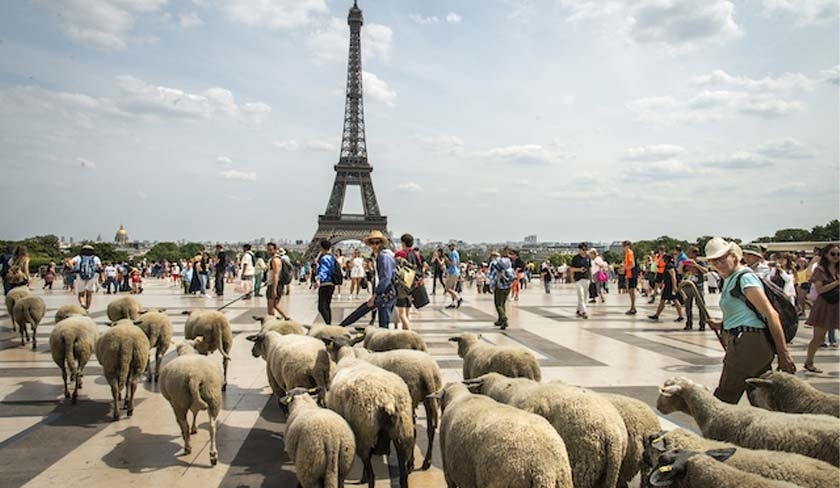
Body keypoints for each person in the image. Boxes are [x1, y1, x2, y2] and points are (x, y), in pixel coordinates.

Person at [703, 237, 795, 404]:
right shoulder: (730, 279)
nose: (718, 263)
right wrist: (722, 324)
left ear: (733, 255)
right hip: (747, 342)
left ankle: (719, 430)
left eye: (722, 258)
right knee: (760, 398)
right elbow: (745, 313)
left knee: (724, 400)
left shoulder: (744, 278)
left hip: (747, 343)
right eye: (713, 261)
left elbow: (771, 314)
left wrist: (783, 353)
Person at [802, 243, 839, 372]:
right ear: (826, 255)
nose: (836, 257)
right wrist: (837, 282)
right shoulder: (820, 270)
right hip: (824, 304)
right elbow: (820, 289)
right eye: (833, 254)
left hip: (838, 304)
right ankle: (809, 361)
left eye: (838, 254)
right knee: (819, 337)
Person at [365, 231, 396, 328]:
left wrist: (375, 295)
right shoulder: (388, 255)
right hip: (390, 293)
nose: (374, 245)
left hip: (386, 294)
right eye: (372, 243)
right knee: (384, 324)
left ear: (381, 243)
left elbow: (386, 278)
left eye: (377, 243)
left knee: (384, 326)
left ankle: (386, 343)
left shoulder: (383, 256)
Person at [394, 233, 422, 330]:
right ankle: (405, 331)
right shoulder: (415, 254)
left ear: (402, 243)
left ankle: (408, 333)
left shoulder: (400, 254)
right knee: (407, 312)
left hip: (402, 287)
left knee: (401, 313)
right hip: (412, 286)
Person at [679, 247, 708, 331]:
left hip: (698, 286)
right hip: (688, 285)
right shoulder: (686, 262)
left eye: (689, 252)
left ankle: (702, 324)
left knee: (701, 305)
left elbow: (706, 271)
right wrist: (682, 265)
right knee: (688, 306)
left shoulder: (700, 262)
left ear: (694, 253)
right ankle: (689, 323)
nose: (688, 254)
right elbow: (680, 272)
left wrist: (696, 265)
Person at [649, 254, 684, 322]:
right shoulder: (667, 266)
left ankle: (681, 316)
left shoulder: (669, 266)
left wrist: (674, 286)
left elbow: (673, 276)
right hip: (668, 285)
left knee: (674, 300)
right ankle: (657, 315)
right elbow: (666, 277)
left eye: (663, 259)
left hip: (670, 286)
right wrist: (662, 284)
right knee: (665, 300)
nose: (661, 260)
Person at [488, 250, 513, 329]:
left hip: (499, 286)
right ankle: (500, 320)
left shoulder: (494, 263)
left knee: (498, 304)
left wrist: (491, 286)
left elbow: (492, 275)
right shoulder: (507, 262)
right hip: (508, 285)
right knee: (503, 303)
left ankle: (503, 318)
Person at [265, 243, 291, 320]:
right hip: (274, 284)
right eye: (268, 249)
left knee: (271, 307)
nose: (269, 251)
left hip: (274, 285)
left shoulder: (275, 260)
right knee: (275, 305)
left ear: (275, 250)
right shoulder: (276, 259)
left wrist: (274, 289)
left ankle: (273, 322)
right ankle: (287, 318)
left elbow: (276, 274)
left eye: (270, 250)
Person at [71, 244, 101, 310]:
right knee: (89, 293)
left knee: (81, 293)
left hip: (80, 275)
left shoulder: (78, 257)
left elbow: (70, 262)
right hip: (92, 276)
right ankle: (87, 308)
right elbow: (100, 267)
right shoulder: (95, 258)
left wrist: (73, 268)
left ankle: (82, 303)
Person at [314, 239, 336, 325]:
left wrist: (318, 279)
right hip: (331, 284)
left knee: (321, 307)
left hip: (325, 283)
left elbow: (324, 270)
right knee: (326, 306)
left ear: (322, 248)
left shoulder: (325, 258)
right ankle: (328, 323)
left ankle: (328, 323)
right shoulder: (331, 257)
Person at [569, 243, 591, 319]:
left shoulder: (588, 257)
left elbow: (590, 268)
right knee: (581, 296)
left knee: (584, 297)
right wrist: (579, 270)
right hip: (578, 279)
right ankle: (584, 311)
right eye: (583, 250)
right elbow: (571, 269)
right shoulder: (575, 258)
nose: (584, 251)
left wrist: (591, 278)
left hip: (586, 278)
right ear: (579, 250)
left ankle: (578, 309)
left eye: (586, 250)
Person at [444, 243, 462, 308]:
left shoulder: (452, 253)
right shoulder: (457, 253)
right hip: (456, 272)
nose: (449, 248)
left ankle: (458, 298)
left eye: (450, 246)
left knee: (447, 288)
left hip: (452, 272)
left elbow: (453, 263)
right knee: (452, 289)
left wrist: (447, 260)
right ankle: (453, 303)